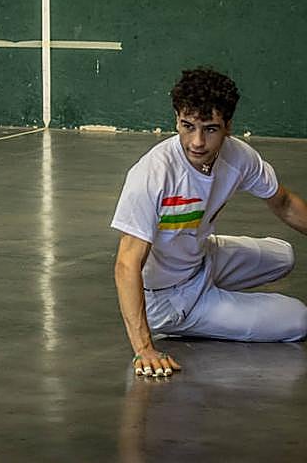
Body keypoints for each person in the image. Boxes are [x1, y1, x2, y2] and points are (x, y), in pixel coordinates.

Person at [112, 67, 307, 376]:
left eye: (210, 129)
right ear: (177, 118)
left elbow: (283, 203)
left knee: (285, 254)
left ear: (228, 126)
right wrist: (144, 349)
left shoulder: (239, 157)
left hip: (202, 257)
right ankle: (194, 318)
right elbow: (126, 263)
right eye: (187, 126)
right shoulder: (152, 174)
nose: (197, 142)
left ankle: (215, 294)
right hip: (168, 298)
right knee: (298, 320)